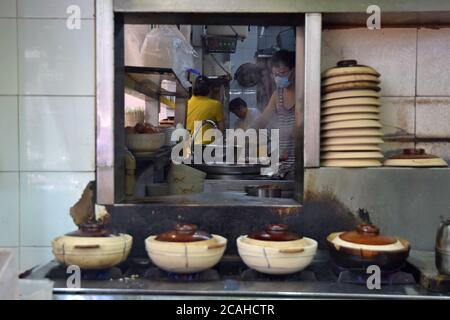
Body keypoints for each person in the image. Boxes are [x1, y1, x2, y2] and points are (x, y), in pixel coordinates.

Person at [255, 50, 296, 178]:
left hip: (298, 166)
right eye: (275, 74)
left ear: (294, 70)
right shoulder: (277, 95)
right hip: (280, 166)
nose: (279, 77)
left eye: (282, 73)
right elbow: (262, 121)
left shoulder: (303, 93)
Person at [186, 76, 225, 144]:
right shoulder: (215, 104)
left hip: (189, 143)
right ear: (209, 89)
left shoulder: (187, 103)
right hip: (207, 145)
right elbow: (221, 127)